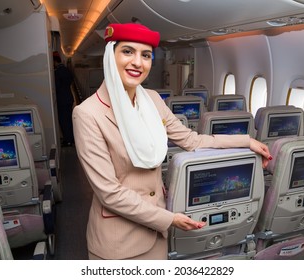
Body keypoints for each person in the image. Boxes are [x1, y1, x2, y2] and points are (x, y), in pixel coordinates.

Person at [72, 23, 272, 260]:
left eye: (145, 55)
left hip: (157, 233)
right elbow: (109, 192)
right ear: (109, 55)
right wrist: (169, 218)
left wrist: (245, 141)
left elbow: (191, 139)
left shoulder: (153, 100)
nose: (138, 62)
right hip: (120, 240)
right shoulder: (88, 113)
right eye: (127, 52)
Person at [53, 51, 75, 146]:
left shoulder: (57, 72)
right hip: (68, 98)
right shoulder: (66, 69)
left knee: (64, 121)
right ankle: (71, 138)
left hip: (62, 100)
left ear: (54, 61)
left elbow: (56, 87)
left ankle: (68, 140)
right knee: (68, 120)